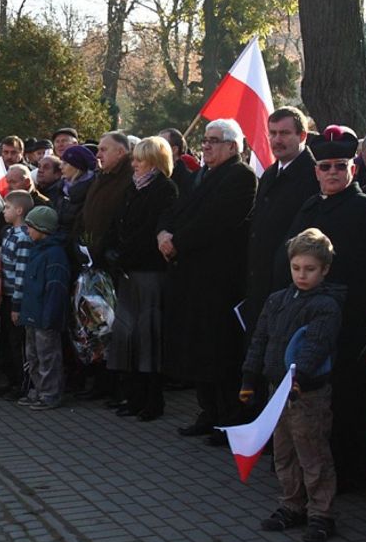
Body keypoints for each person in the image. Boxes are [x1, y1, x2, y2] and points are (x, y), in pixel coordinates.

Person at [280, 128, 366, 485]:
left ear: (353, 168)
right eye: (325, 166)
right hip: (307, 317)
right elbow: (289, 254)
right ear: (317, 171)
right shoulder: (310, 205)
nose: (333, 172)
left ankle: (349, 472)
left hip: (346, 318)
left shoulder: (363, 207)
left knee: (345, 398)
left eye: (341, 165)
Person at [241, 228, 342, 542]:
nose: (302, 275)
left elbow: (315, 346)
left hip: (307, 393)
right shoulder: (277, 300)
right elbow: (260, 340)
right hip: (277, 391)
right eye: (296, 268)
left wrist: (299, 378)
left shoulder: (326, 306)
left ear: (324, 270)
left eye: (310, 269)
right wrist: (248, 377)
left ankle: (321, 513)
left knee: (312, 454)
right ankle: (291, 504)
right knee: (283, 452)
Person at [158, 119, 258, 439]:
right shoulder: (202, 175)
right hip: (192, 276)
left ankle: (228, 417)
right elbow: (176, 210)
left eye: (214, 140)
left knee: (219, 350)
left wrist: (177, 242)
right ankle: (208, 411)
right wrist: (162, 232)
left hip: (219, 278)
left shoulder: (240, 177)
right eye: (204, 140)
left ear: (233, 146)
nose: (207, 146)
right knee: (198, 348)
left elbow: (215, 221)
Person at [103, 136, 179, 421]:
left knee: (149, 339)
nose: (133, 164)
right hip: (128, 271)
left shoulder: (164, 190)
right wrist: (109, 248)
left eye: (139, 160)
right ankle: (133, 396)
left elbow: (150, 230)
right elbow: (118, 221)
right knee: (129, 339)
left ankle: (151, 400)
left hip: (149, 272)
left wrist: (124, 254)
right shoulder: (132, 188)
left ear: (155, 161)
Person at [244, 107, 317, 336]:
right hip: (260, 280)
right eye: (272, 133)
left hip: (290, 282)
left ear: (302, 136)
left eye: (284, 133)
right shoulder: (270, 173)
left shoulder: (312, 176)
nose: (277, 140)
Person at [16, 205, 71, 411]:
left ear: (42, 228)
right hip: (32, 312)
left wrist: (51, 316)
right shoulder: (37, 250)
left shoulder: (54, 254)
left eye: (30, 227)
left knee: (48, 355)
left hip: (45, 316)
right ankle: (38, 390)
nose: (27, 231)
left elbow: (55, 290)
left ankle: (50, 393)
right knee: (33, 355)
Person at [0, 190, 34, 399]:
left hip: (16, 297)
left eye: (7, 207)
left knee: (18, 343)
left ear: (19, 210)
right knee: (8, 341)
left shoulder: (23, 238)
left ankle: (24, 384)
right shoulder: (9, 233)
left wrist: (17, 305)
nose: (4, 211)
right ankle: (12, 381)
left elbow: (21, 273)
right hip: (5, 294)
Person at [79, 132, 133, 268]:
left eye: (103, 150)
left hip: (114, 261)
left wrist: (107, 250)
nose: (97, 155)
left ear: (120, 152)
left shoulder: (131, 179)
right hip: (92, 255)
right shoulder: (103, 175)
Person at [55, 145, 97, 236]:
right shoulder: (62, 188)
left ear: (77, 167)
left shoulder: (89, 191)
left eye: (65, 163)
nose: (60, 166)